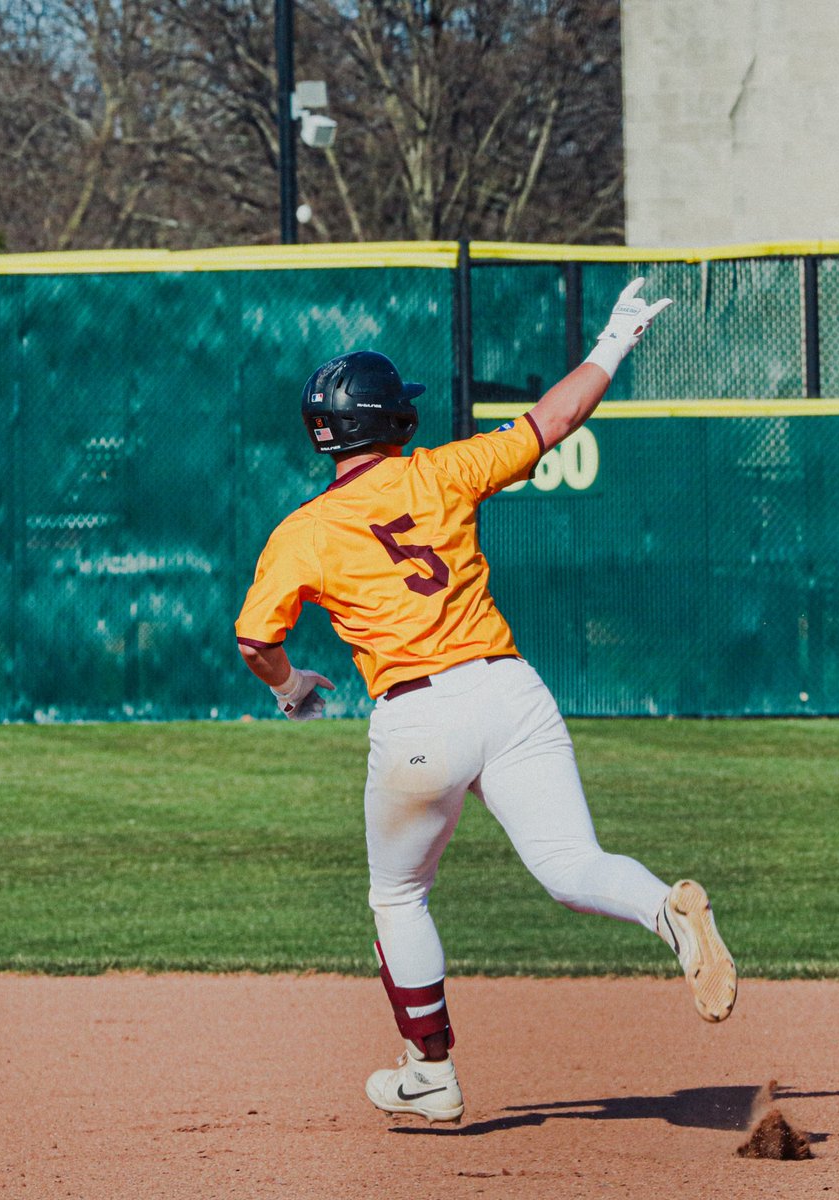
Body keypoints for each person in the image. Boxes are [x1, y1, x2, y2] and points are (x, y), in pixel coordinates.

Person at [235, 279, 736, 1124]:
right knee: (571, 865)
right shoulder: (443, 471)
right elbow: (555, 420)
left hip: (417, 718)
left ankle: (430, 1072)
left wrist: (290, 687)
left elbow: (256, 640)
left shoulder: (302, 532)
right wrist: (615, 337)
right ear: (393, 420)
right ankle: (663, 909)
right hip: (510, 692)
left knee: (399, 896)